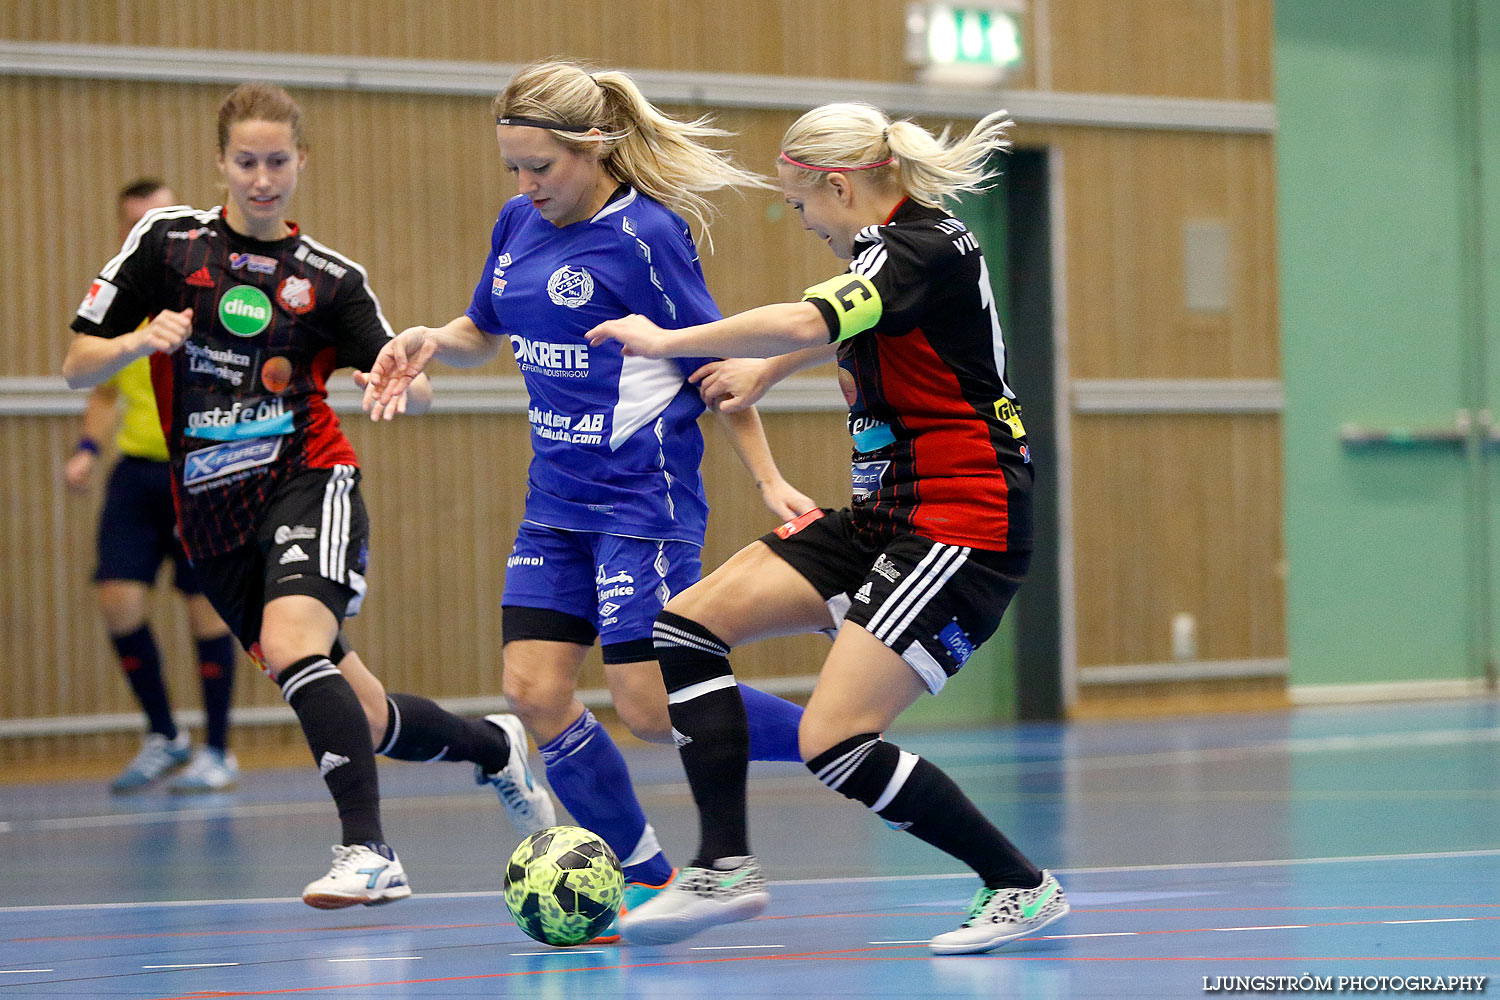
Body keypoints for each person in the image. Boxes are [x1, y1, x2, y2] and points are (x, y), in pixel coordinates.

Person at [584, 102, 1069, 955]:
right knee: (689, 626)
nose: (803, 222)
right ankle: (722, 865)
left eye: (801, 206)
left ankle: (1020, 886)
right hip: (887, 515)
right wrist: (765, 370)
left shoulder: (924, 243)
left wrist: (669, 341)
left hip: (963, 521)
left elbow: (815, 318)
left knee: (833, 739)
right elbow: (849, 325)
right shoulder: (885, 254)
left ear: (839, 185)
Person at [63, 82, 554, 909]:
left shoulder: (329, 280)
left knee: (296, 644)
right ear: (221, 162)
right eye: (247, 161)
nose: (262, 178)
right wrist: (141, 338)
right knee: (363, 718)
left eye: (278, 161)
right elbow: (78, 361)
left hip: (308, 481)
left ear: (302, 164)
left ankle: (369, 852)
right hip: (208, 518)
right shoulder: (167, 245)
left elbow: (399, 376)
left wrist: (401, 380)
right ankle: (493, 747)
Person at [360, 60, 813, 940]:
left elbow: (713, 366)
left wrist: (768, 480)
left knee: (648, 708)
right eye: (515, 171)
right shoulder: (517, 224)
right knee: (532, 690)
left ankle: (838, 733)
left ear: (594, 147)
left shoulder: (647, 238)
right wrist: (425, 340)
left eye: (543, 168)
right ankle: (644, 878)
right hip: (554, 505)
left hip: (643, 502)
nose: (528, 187)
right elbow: (480, 328)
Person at [64, 178, 242, 795]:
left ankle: (218, 751)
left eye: (158, 216)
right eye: (134, 219)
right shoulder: (122, 300)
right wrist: (87, 450)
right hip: (136, 472)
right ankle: (165, 735)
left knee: (205, 613)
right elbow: (104, 387)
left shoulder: (213, 290)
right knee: (118, 601)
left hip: (200, 471)